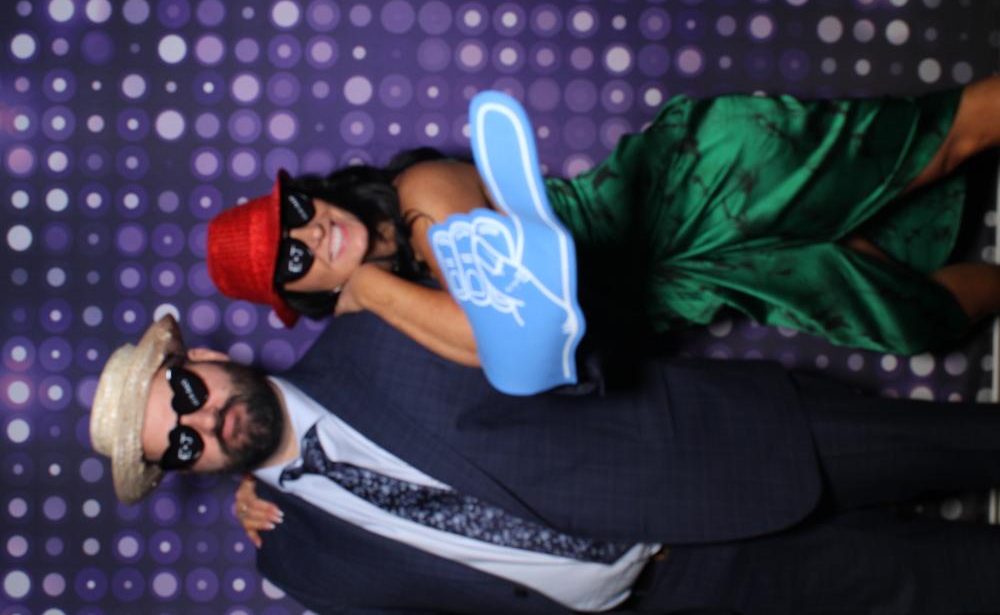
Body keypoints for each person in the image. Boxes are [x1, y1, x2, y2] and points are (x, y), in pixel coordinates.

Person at [92, 312, 1000, 614]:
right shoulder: (295, 557)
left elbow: (570, 334)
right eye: (181, 441)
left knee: (965, 445)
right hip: (686, 591)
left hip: (719, 448)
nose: (203, 419)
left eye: (184, 391)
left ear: (200, 355)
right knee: (949, 584)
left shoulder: (373, 327)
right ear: (189, 469)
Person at [207, 79, 1000, 362]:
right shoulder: (403, 309)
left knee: (938, 143)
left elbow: (499, 334)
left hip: (702, 185)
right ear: (305, 293)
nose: (312, 233)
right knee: (910, 317)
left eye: (296, 214)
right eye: (294, 258)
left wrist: (367, 291)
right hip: (691, 279)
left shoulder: (418, 191)